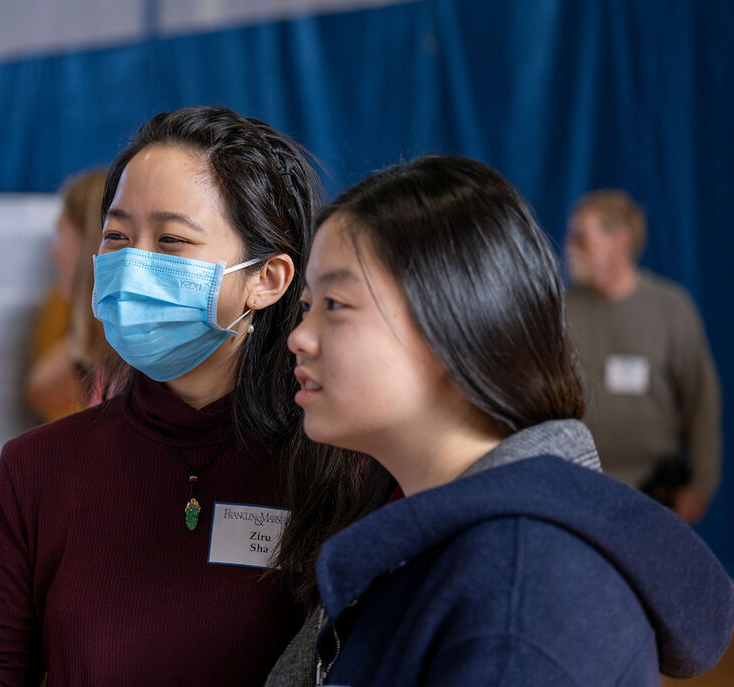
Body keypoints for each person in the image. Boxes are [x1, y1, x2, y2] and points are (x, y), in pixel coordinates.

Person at [0, 105, 386, 687]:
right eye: (117, 236)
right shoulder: (38, 468)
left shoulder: (342, 467)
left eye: (172, 240)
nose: (133, 264)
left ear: (266, 278)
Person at [287, 156, 733, 685]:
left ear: (458, 327)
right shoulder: (417, 528)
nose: (300, 337)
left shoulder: (519, 597)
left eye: (335, 304)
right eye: (308, 304)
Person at [564, 190, 722, 523]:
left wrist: (701, 486)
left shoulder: (671, 309)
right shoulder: (561, 312)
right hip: (580, 491)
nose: (569, 247)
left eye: (581, 238)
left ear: (618, 241)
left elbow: (702, 404)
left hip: (656, 496)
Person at [24, 169, 109, 420]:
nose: (54, 251)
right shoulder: (89, 335)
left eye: (62, 235)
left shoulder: (115, 346)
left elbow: (40, 390)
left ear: (88, 241)